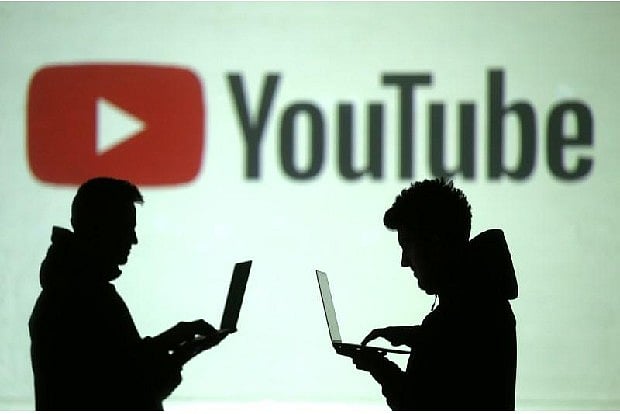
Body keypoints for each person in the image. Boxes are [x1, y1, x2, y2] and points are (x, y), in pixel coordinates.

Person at [28, 177, 229, 410]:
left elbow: (120, 370)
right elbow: (127, 388)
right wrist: (178, 350)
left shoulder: (70, 293)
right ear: (99, 229)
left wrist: (174, 344)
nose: (134, 240)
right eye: (125, 229)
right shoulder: (87, 299)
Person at [336, 178, 518, 410]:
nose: (405, 262)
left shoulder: (448, 322)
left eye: (407, 247)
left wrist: (378, 366)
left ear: (434, 243)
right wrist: (417, 337)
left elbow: (415, 404)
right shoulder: (487, 304)